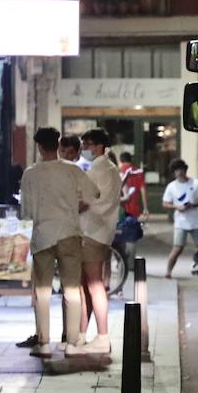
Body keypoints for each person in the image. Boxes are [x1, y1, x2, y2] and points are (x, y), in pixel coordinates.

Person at [18, 127, 99, 357]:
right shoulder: (72, 170)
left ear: (39, 147)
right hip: (70, 233)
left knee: (42, 291)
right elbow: (94, 194)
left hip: (43, 235)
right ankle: (72, 343)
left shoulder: (31, 173)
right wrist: (74, 204)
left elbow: (25, 212)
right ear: (58, 143)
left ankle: (43, 342)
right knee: (72, 289)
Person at [74, 128, 121, 354]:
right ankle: (83, 334)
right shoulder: (109, 168)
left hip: (92, 231)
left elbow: (89, 200)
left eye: (88, 145)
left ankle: (102, 335)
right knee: (88, 285)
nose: (86, 150)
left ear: (100, 145)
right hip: (100, 232)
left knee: (93, 284)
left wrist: (75, 206)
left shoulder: (101, 168)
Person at [163, 159, 198, 279]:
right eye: (176, 171)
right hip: (180, 221)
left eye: (181, 170)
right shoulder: (172, 186)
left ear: (185, 170)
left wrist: (193, 204)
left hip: (195, 220)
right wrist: (176, 206)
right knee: (177, 247)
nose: (179, 173)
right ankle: (168, 271)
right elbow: (166, 203)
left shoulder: (195, 183)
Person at [119, 152, 147, 219]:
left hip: (121, 207)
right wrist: (145, 207)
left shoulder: (119, 171)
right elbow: (143, 190)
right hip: (135, 207)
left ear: (121, 160)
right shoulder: (138, 172)